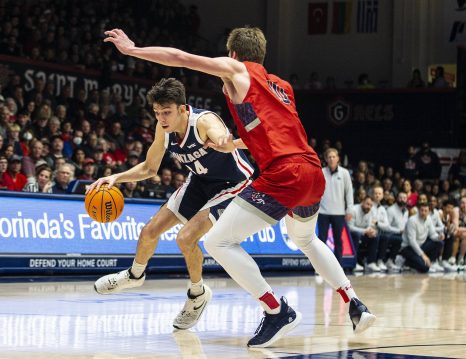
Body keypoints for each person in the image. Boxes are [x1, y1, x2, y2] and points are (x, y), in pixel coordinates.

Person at [103, 27, 376, 347]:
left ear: (232, 54)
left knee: (218, 242)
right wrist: (231, 142)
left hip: (283, 174)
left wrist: (133, 50)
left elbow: (180, 58)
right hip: (312, 172)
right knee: (305, 239)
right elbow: (274, 131)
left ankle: (276, 311)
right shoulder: (282, 87)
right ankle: (354, 302)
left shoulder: (238, 70)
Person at [89, 78, 253, 330]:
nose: (162, 118)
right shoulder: (162, 129)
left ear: (183, 109)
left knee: (185, 238)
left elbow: (222, 138)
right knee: (149, 231)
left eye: (166, 112)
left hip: (232, 183)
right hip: (199, 180)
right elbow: (149, 167)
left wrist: (223, 142)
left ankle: (197, 295)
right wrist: (115, 177)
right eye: (157, 112)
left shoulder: (204, 122)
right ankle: (134, 275)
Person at [318, 148, 354, 266]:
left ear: (338, 158)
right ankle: (321, 266)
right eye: (329, 157)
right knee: (321, 240)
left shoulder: (344, 173)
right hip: (323, 212)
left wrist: (349, 209)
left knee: (338, 240)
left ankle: (338, 266)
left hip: (339, 213)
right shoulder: (321, 172)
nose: (332, 159)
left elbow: (349, 192)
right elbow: (316, 192)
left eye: (334, 156)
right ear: (326, 159)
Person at [399, 202, 444, 273]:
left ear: (429, 212)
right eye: (421, 210)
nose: (423, 212)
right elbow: (412, 242)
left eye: (426, 211)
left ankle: (430, 262)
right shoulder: (412, 220)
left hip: (421, 246)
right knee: (424, 268)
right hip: (408, 248)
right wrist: (423, 255)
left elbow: (432, 234)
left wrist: (438, 237)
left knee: (439, 243)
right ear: (418, 210)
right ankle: (406, 261)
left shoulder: (429, 219)